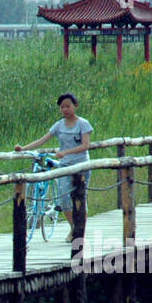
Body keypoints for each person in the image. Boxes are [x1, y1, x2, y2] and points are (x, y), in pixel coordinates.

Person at [15, 93, 92, 242]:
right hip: (64, 166)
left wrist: (65, 152)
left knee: (80, 198)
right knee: (63, 199)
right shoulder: (59, 125)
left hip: (81, 165)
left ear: (75, 106)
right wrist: (23, 148)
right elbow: (42, 140)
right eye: (62, 107)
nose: (65, 109)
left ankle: (79, 231)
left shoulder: (83, 124)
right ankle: (74, 228)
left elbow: (85, 145)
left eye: (68, 106)